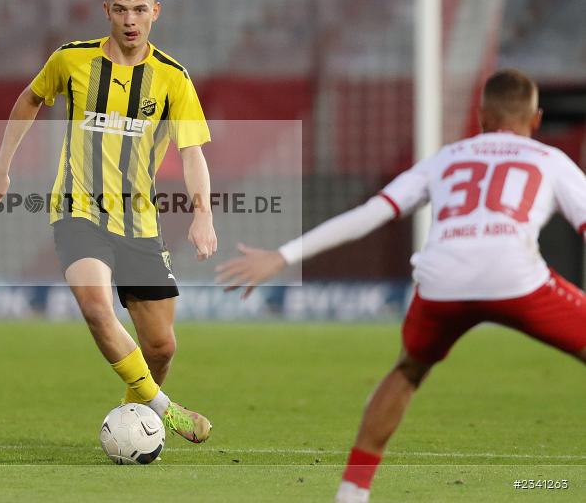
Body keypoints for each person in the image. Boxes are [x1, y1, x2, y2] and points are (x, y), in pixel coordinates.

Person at [216, 69, 586, 502]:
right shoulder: (550, 160)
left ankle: (351, 492)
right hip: (514, 276)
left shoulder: (446, 158)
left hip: (442, 279)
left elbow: (372, 213)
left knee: (408, 371)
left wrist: (284, 255)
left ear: (481, 116)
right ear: (536, 119)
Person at [0, 0, 217, 443]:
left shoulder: (173, 78)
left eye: (140, 10)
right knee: (95, 306)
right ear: (106, 10)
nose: (130, 20)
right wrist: (1, 164)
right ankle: (166, 410)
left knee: (161, 347)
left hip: (139, 222)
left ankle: (133, 421)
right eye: (121, 9)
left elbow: (192, 153)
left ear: (155, 12)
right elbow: (30, 99)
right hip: (78, 211)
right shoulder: (71, 60)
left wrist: (203, 214)